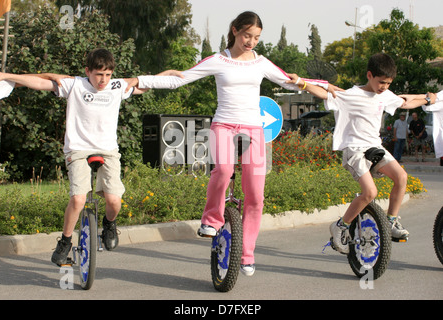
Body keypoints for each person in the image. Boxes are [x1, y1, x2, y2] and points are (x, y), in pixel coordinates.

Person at [126, 11, 337, 276]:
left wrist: (328, 88)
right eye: (247, 35)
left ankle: (247, 253)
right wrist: (140, 80)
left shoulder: (261, 62)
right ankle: (211, 219)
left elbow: (292, 81)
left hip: (252, 130)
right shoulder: (218, 60)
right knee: (223, 170)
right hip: (223, 125)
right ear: (235, 30)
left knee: (256, 196)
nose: (251, 41)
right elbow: (180, 78)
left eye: (256, 37)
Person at [0, 48, 178, 265]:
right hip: (78, 150)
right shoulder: (75, 85)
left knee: (114, 201)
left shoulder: (117, 86)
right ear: (87, 71)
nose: (103, 80)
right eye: (99, 74)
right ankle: (65, 241)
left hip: (108, 150)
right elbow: (39, 82)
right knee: (78, 199)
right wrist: (5, 76)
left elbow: (147, 84)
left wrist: (168, 74)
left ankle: (109, 225)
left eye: (108, 75)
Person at [287, 53, 418, 254]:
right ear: (369, 75)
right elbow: (323, 93)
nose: (384, 87)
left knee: (401, 177)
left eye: (388, 83)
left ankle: (391, 221)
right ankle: (341, 225)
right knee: (370, 193)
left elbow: (406, 102)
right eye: (381, 82)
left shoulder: (385, 95)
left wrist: (428, 98)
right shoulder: (350, 94)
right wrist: (301, 83)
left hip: (375, 147)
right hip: (354, 149)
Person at [401, 92, 442, 162]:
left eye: (414, 115)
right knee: (416, 147)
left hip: (421, 135)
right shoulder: (412, 122)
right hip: (416, 136)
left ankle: (423, 158)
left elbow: (431, 98)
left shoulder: (420, 121)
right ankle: (417, 158)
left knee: (423, 147)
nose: (414, 116)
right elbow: (432, 98)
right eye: (413, 115)